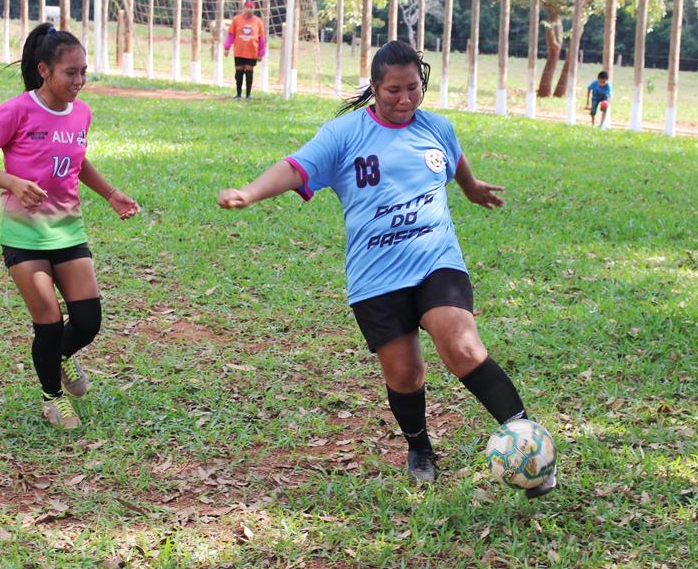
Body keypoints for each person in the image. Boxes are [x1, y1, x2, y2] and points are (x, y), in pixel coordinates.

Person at [218, 41, 556, 498]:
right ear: (374, 87)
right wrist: (250, 192)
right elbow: (296, 168)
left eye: (413, 88)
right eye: (393, 90)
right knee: (405, 375)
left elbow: (454, 160)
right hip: (375, 276)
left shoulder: (437, 127)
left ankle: (529, 445)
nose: (404, 99)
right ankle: (420, 448)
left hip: (436, 260)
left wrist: (472, 188)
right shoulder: (344, 135)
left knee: (462, 345)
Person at [0, 23, 140, 430]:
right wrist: (12, 181)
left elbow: (76, 159)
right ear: (44, 70)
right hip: (23, 235)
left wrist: (110, 193)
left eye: (84, 72)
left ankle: (61, 355)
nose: (79, 81)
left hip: (67, 231)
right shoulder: (16, 110)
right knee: (47, 320)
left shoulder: (81, 112)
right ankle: (52, 399)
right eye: (70, 73)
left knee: (88, 320)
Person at [224, 0, 266, 100]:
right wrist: (227, 47)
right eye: (247, 7)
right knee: (239, 71)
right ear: (244, 8)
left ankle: (248, 95)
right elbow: (231, 35)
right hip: (239, 50)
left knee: (249, 71)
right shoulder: (237, 19)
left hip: (252, 52)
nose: (249, 9)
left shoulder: (258, 22)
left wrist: (261, 53)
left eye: (251, 7)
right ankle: (238, 94)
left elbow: (261, 39)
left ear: (254, 9)